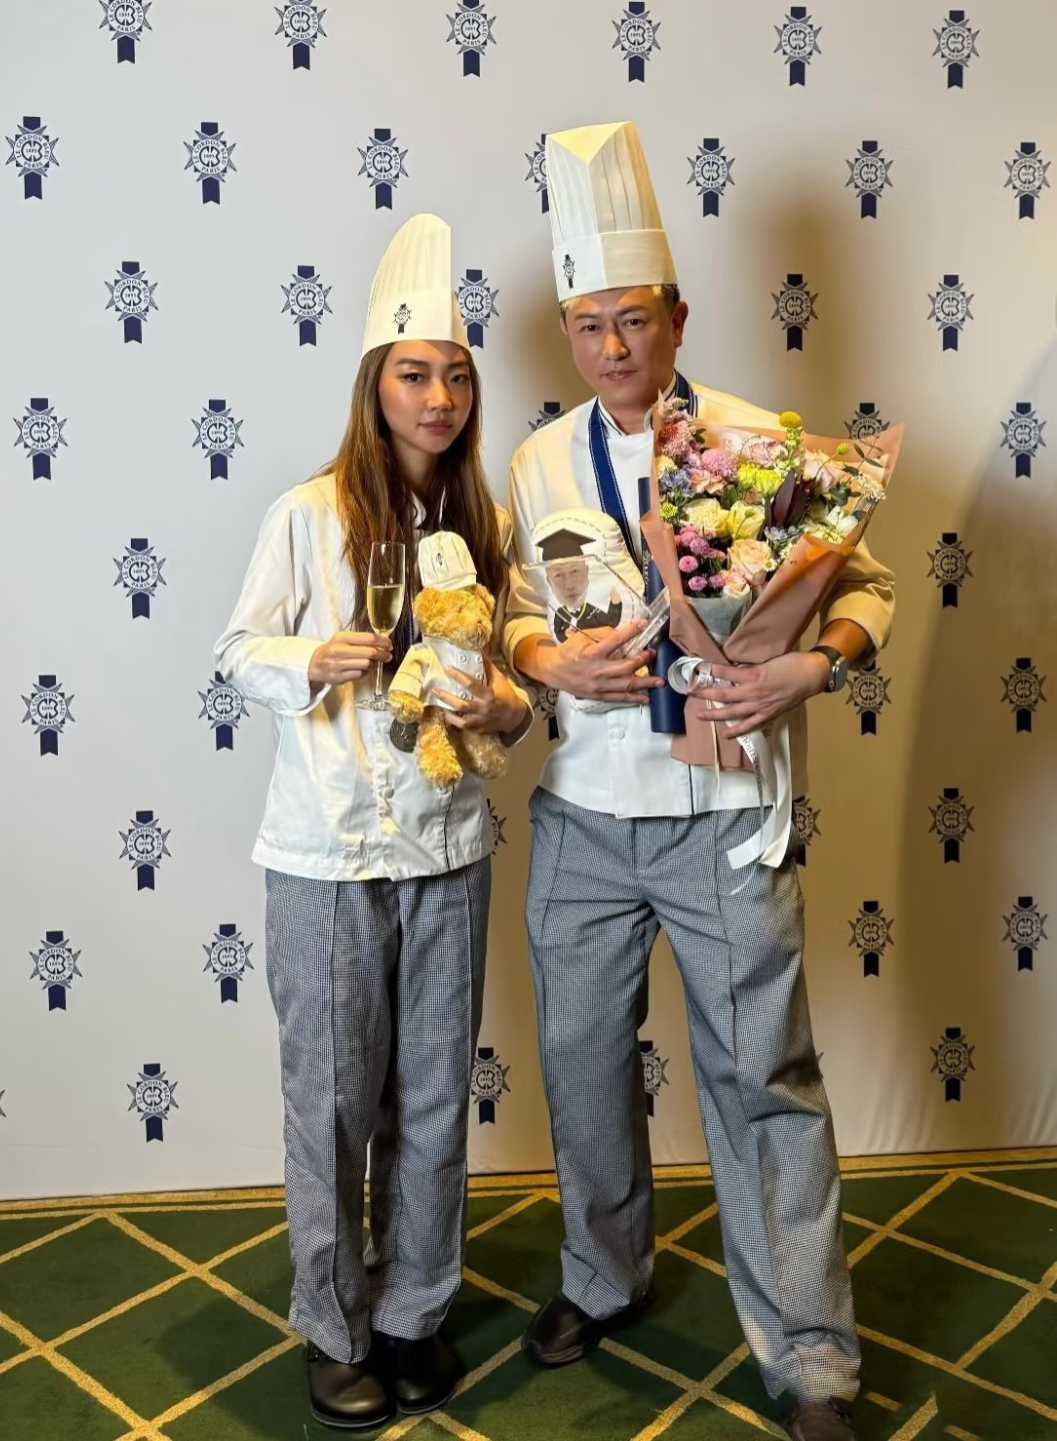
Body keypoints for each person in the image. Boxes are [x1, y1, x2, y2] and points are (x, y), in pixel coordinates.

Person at [503, 122, 895, 1441]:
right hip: (582, 814)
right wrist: (547, 656)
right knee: (580, 1065)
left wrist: (810, 669)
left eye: (634, 319)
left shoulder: (758, 443)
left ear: (678, 318)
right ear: (569, 334)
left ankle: (812, 1358)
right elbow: (516, 611)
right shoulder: (536, 463)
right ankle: (602, 1276)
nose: (613, 346)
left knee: (763, 1080)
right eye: (589, 325)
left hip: (725, 815)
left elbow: (867, 589)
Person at [215, 213, 531, 1431]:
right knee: (333, 1101)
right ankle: (335, 1327)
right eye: (414, 374)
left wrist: (503, 705)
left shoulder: (483, 525)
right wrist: (313, 654)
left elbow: (518, 683)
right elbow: (236, 650)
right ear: (373, 384)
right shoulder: (308, 514)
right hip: (327, 851)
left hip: (449, 846)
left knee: (436, 1096)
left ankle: (412, 1312)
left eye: (455, 376)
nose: (438, 398)